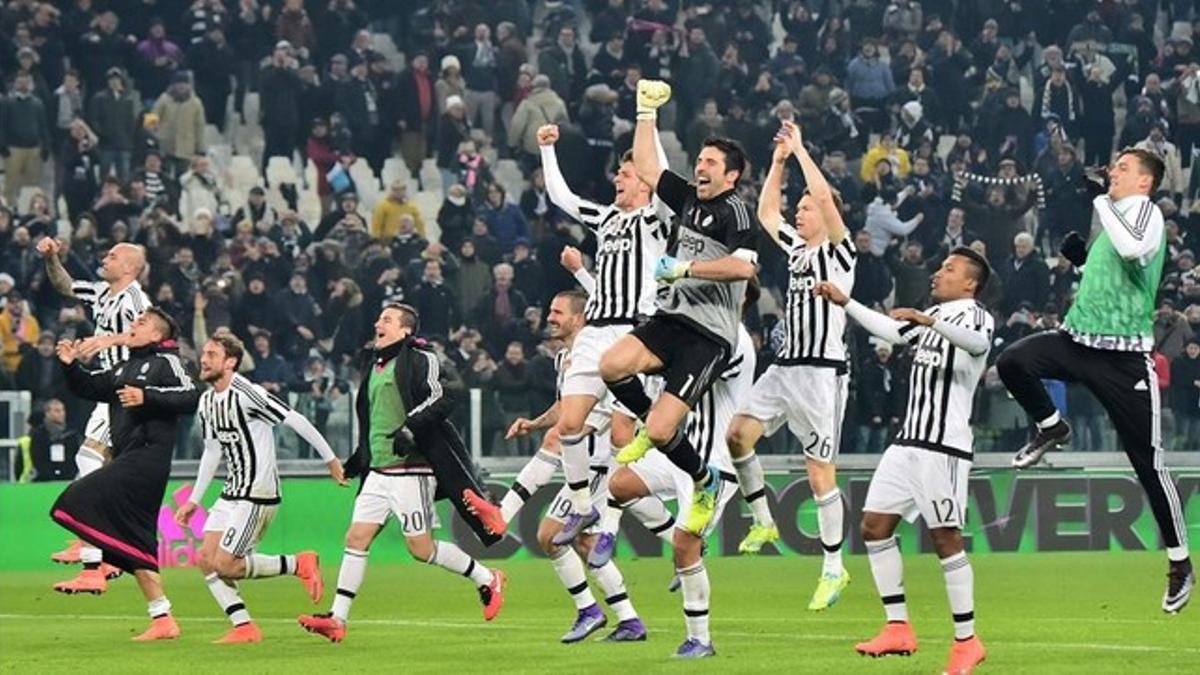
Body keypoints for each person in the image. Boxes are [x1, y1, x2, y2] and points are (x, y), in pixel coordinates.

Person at [996, 149, 1193, 612]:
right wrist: (1082, 260)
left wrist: (1102, 201)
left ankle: (1180, 562)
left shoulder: (1143, 212)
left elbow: (1132, 249)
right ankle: (1051, 425)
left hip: (1123, 360)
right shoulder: (1115, 216)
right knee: (1013, 361)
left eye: (1123, 168)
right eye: (1114, 167)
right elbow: (1115, 275)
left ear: (1145, 182)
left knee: (1148, 463)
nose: (1113, 172)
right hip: (1079, 341)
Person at [814, 247, 993, 674]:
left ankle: (967, 642)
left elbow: (980, 344)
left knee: (945, 539)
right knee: (874, 527)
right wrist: (848, 302)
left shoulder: (974, 315)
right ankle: (898, 627)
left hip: (943, 447)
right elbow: (894, 332)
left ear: (970, 283)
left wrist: (931, 321)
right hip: (907, 442)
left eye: (948, 269)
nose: (938, 272)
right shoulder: (932, 315)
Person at [598, 79, 759, 535]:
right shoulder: (687, 196)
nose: (701, 167)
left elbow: (743, 270)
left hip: (707, 336)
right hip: (670, 318)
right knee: (612, 366)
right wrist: (645, 112)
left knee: (668, 432)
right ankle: (653, 425)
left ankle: (704, 480)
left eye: (711, 163)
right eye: (701, 160)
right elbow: (647, 166)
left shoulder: (737, 213)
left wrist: (686, 269)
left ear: (731, 177)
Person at [501, 122, 671, 546]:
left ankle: (621, 521)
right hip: (597, 330)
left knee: (619, 435)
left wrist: (646, 118)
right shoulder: (607, 217)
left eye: (627, 174)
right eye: (617, 173)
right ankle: (582, 508)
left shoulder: (654, 221)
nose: (617, 178)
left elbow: (665, 182)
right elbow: (562, 197)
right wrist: (546, 150)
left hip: (633, 335)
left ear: (646, 184)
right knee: (569, 424)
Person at [298, 304, 505, 643]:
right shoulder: (375, 366)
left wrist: (411, 429)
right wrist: (355, 462)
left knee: (420, 550)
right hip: (379, 471)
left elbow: (444, 396)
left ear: (405, 331)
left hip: (413, 468)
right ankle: (338, 619)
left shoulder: (422, 358)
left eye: (387, 320)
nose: (378, 323)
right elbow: (375, 423)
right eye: (379, 318)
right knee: (356, 538)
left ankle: (487, 578)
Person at [725, 121, 854, 611]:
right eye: (798, 208)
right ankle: (763, 518)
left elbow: (822, 194)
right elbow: (765, 211)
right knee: (736, 436)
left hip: (821, 375)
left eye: (805, 208)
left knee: (820, 473)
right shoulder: (799, 252)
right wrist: (777, 163)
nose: (798, 214)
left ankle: (833, 569)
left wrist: (800, 150)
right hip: (784, 369)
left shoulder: (839, 252)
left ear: (824, 213)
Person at [499, 290, 660, 643]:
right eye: (550, 311)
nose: (550, 318)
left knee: (553, 536)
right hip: (585, 466)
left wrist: (504, 512)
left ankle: (595, 611)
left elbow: (606, 421)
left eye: (558, 312)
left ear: (580, 317)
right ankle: (625, 620)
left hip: (601, 467)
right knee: (578, 541)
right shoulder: (566, 360)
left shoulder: (604, 358)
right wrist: (536, 422)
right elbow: (565, 409)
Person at [175, 330, 346, 644]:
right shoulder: (207, 401)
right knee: (205, 559)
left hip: (258, 493)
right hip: (232, 491)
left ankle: (298, 563)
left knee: (227, 565)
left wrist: (330, 459)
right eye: (204, 353)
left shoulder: (247, 392)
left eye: (211, 354)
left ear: (231, 362)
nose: (203, 358)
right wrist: (194, 500)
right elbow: (212, 452)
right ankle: (244, 627)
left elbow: (294, 419)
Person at [606, 318, 756, 659]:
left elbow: (684, 374)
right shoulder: (707, 334)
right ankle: (684, 543)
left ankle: (700, 640)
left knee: (685, 544)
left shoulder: (733, 341)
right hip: (683, 450)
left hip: (715, 461)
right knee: (621, 484)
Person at [49, 309, 201, 641]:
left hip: (148, 457)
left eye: (141, 323)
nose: (133, 326)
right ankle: (163, 619)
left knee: (73, 499)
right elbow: (87, 387)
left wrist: (148, 396)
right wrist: (69, 364)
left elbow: (193, 396)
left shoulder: (168, 362)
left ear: (157, 336)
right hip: (128, 456)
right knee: (138, 544)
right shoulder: (123, 366)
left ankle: (99, 561)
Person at [36, 238, 151, 582]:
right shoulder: (102, 292)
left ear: (129, 268)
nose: (106, 258)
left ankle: (91, 550)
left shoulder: (137, 302)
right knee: (105, 471)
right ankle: (107, 550)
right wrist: (52, 257)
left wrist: (104, 341)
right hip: (109, 389)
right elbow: (65, 284)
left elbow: (151, 340)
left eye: (113, 256)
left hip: (127, 388)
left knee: (88, 459)